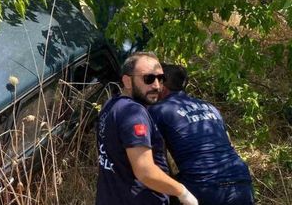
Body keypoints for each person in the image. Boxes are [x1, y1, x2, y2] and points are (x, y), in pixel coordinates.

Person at [96, 52, 198, 205]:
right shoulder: (134, 113)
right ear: (127, 81)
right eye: (148, 79)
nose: (156, 85)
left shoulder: (111, 105)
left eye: (161, 78)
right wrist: (182, 192)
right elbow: (145, 171)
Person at [148, 64, 254, 205]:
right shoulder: (210, 107)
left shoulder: (158, 110)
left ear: (162, 85)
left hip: (203, 186)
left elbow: (156, 158)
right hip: (242, 182)